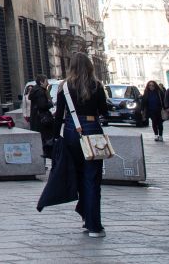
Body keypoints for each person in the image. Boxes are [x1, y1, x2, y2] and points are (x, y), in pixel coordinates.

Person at [44, 52, 111, 238]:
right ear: (89, 66)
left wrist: (55, 138)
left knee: (78, 174)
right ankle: (94, 225)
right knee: (92, 178)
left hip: (72, 131)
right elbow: (104, 111)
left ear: (71, 67)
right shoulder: (96, 85)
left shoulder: (64, 87)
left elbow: (59, 115)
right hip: (92, 129)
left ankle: (85, 216)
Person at [27, 76, 56, 160]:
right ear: (41, 82)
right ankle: (48, 154)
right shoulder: (40, 92)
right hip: (43, 120)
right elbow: (42, 105)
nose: (48, 83)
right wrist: (51, 104)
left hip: (37, 119)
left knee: (42, 139)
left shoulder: (36, 90)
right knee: (48, 139)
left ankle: (45, 155)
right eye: (46, 81)